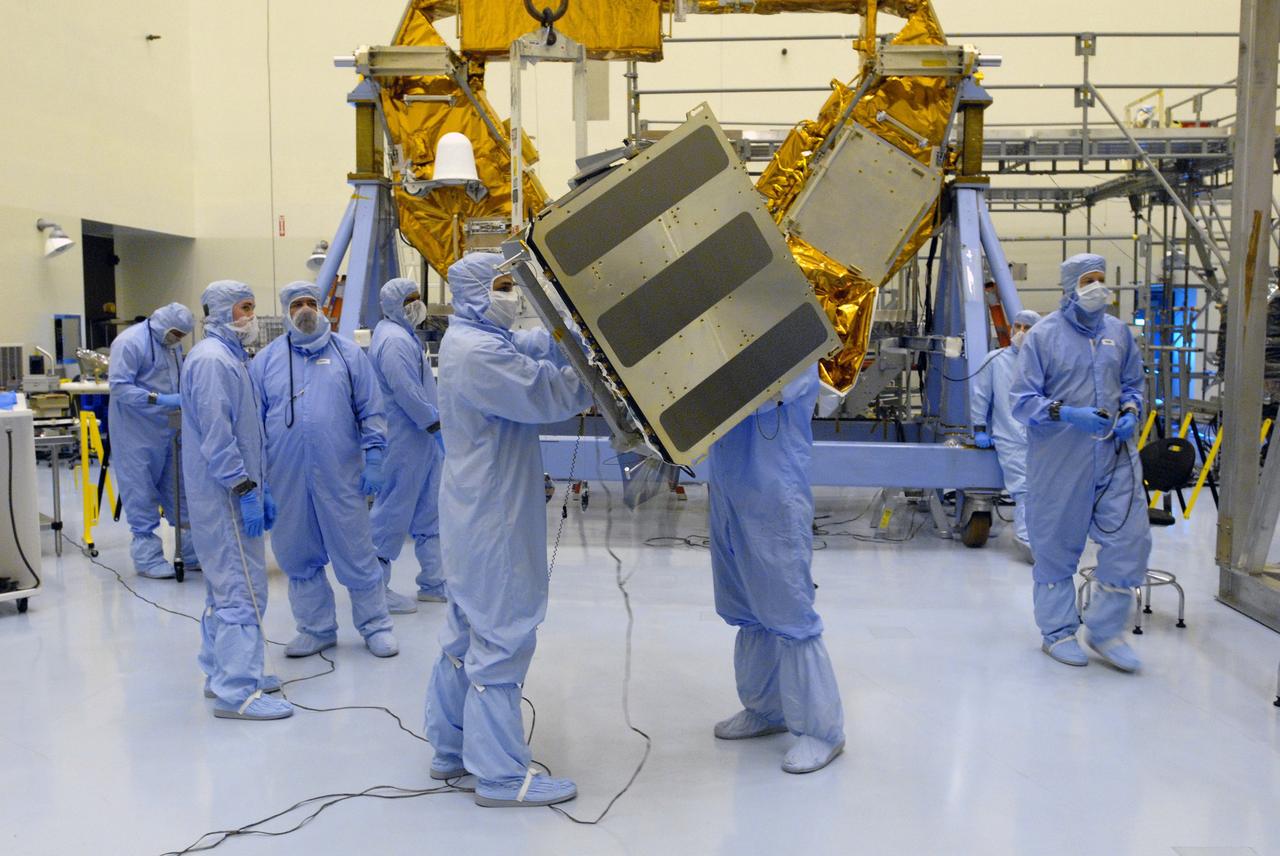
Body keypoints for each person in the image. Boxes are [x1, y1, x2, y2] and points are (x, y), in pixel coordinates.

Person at [424, 253, 592, 808]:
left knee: (465, 630)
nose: (511, 296)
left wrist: (565, 335)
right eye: (502, 285)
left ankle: (451, 747)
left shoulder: (471, 337)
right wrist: (595, 372)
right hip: (493, 516)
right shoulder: (478, 353)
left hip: (474, 505)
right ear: (474, 292)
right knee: (501, 632)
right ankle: (499, 775)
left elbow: (527, 346)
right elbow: (548, 394)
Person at [1011, 253, 1151, 672]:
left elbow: (1133, 383)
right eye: (1089, 280)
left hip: (1114, 455)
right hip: (1060, 459)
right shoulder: (1043, 336)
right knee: (1055, 544)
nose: (1098, 287)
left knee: (1130, 539)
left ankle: (1106, 631)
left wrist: (1131, 410)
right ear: (1070, 285)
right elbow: (1022, 401)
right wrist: (1067, 413)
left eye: (1101, 279)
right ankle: (1057, 632)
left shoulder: (1118, 333)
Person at [708, 365, 846, 774]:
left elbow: (763, 391)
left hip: (773, 489)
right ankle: (766, 709)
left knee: (788, 608)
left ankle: (823, 732)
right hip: (729, 484)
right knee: (743, 603)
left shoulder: (794, 344)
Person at [250, 282, 398, 659]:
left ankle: (376, 626)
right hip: (287, 478)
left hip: (340, 475)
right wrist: (260, 483)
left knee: (356, 550)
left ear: (322, 307)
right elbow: (253, 424)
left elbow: (372, 409)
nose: (304, 310)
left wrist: (375, 457)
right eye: (296, 304)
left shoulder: (348, 355)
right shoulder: (266, 361)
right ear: (286, 311)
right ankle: (316, 629)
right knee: (297, 554)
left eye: (310, 303)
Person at [182, 281, 292, 720]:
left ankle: (222, 672)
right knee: (241, 591)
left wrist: (260, 487)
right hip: (225, 496)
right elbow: (218, 437)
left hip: (232, 491)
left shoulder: (231, 357)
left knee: (226, 587)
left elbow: (246, 431)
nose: (251, 316)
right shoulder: (213, 361)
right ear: (224, 311)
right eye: (245, 308)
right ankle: (238, 692)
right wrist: (244, 488)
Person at [368, 278, 447, 612]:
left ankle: (434, 582)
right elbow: (406, 391)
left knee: (430, 510)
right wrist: (433, 422)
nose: (416, 304)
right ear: (393, 306)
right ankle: (374, 589)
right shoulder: (393, 340)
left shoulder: (404, 335)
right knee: (392, 511)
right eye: (409, 299)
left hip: (421, 439)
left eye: (417, 297)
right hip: (403, 438)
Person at [107, 303, 200, 578]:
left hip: (170, 429)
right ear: (162, 325)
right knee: (141, 490)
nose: (178, 339)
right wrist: (158, 399)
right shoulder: (130, 342)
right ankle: (148, 558)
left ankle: (190, 552)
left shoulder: (172, 346)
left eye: (182, 335)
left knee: (179, 489)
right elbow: (119, 387)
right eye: (176, 333)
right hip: (136, 431)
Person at [971, 309, 1043, 563]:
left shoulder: (1044, 361)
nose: (1021, 332)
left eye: (1027, 328)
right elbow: (980, 396)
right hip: (1010, 436)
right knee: (1024, 489)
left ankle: (1044, 538)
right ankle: (1026, 539)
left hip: (1041, 437)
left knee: (1044, 489)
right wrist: (979, 429)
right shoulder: (996, 360)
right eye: (1018, 326)